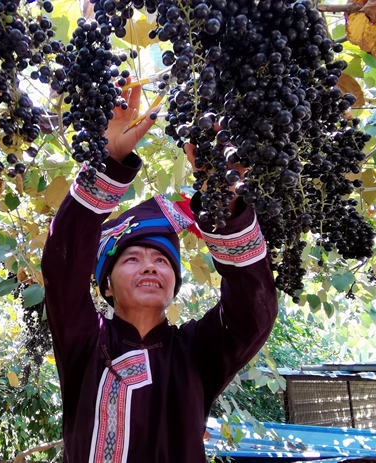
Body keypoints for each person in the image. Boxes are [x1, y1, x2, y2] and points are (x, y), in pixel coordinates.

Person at [41, 82, 278, 463]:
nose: (150, 264)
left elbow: (253, 314)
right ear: (107, 286)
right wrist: (107, 163)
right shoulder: (84, 340)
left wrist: (225, 202)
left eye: (163, 260)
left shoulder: (196, 353)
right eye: (132, 259)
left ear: (175, 286)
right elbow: (62, 264)